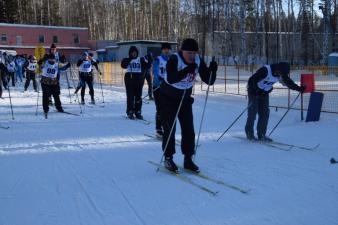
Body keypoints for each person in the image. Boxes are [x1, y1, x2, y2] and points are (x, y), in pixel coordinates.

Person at [160, 38, 218, 173]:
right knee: (170, 128)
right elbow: (171, 78)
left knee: (188, 129)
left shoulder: (197, 59)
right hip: (168, 97)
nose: (192, 56)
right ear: (182, 51)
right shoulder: (174, 59)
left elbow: (209, 81)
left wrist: (213, 71)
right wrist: (187, 70)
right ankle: (168, 158)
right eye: (189, 53)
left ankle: (188, 159)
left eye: (194, 53)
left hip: (185, 98)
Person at [245, 62, 306, 142]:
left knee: (265, 113)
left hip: (264, 93)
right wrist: (255, 89)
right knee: (253, 112)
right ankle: (249, 133)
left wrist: (299, 89)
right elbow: (251, 80)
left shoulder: (281, 74)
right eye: (280, 73)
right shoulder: (266, 70)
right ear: (277, 69)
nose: (280, 75)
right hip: (253, 92)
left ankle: (262, 134)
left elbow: (289, 83)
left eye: (282, 74)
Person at [121, 46, 151, 119]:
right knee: (130, 97)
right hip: (129, 80)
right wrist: (130, 59)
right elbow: (123, 65)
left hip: (138, 80)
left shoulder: (140, 59)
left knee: (138, 97)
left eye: (135, 52)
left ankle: (138, 111)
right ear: (130, 53)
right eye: (132, 53)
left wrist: (150, 59)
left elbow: (147, 66)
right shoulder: (127, 59)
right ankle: (130, 111)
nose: (134, 54)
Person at [38, 54, 70, 118]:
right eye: (50, 58)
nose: (52, 60)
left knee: (56, 95)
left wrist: (67, 66)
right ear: (48, 59)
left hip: (53, 82)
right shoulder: (45, 63)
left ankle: (59, 108)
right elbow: (39, 64)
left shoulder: (56, 64)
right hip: (45, 82)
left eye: (53, 59)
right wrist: (41, 60)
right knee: (46, 95)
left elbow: (62, 68)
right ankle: (46, 109)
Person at [152, 43, 172, 137]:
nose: (167, 51)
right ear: (162, 50)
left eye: (168, 49)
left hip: (168, 87)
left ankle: (166, 127)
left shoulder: (171, 60)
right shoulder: (158, 59)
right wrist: (159, 78)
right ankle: (158, 128)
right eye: (165, 49)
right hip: (158, 86)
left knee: (168, 108)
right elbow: (155, 71)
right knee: (160, 108)